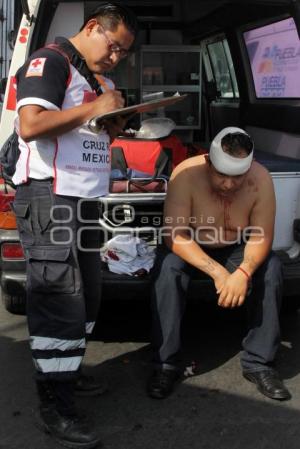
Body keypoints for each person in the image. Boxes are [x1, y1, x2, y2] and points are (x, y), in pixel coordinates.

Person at [12, 3, 138, 448]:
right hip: (49, 198)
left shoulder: (93, 78)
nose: (117, 57)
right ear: (91, 27)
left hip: (83, 200)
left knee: (87, 295)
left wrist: (112, 122)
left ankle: (68, 370)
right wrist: (95, 109)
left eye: (124, 53)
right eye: (115, 46)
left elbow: (83, 134)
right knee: (59, 301)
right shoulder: (52, 61)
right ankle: (55, 405)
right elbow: (31, 126)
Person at [147, 127, 291, 402]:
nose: (228, 184)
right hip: (190, 245)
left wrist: (244, 271)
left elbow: (262, 236)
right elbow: (174, 236)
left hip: (235, 245)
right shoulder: (186, 174)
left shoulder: (260, 178)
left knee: (271, 267)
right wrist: (220, 273)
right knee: (167, 270)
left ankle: (259, 363)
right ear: (208, 162)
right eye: (221, 175)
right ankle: (166, 363)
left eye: (237, 177)